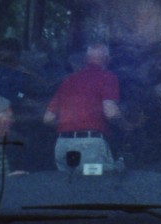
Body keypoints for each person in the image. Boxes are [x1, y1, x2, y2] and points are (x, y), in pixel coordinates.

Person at [43, 43, 121, 171]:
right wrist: (126, 125)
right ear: (108, 59)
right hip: (89, 147)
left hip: (63, 144)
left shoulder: (68, 80)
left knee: (67, 188)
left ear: (86, 59)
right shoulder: (107, 77)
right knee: (95, 186)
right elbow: (111, 113)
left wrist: (70, 126)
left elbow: (48, 118)